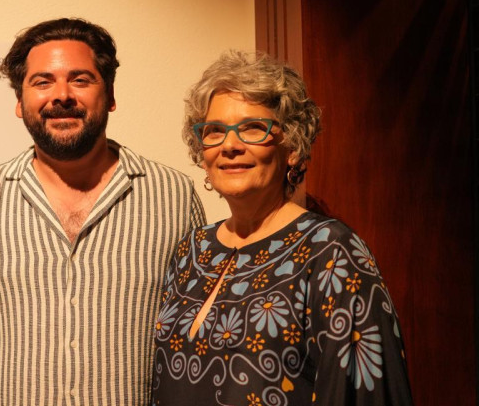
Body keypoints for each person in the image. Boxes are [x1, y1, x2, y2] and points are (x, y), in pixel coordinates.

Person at [0, 18, 206, 405]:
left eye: (81, 80)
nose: (62, 96)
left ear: (111, 95)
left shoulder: (173, 195)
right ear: (19, 102)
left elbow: (199, 333)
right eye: (42, 82)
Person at [151, 50, 413, 405]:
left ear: (291, 146)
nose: (230, 145)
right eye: (215, 131)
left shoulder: (331, 252)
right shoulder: (191, 250)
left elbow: (363, 393)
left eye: (253, 128)